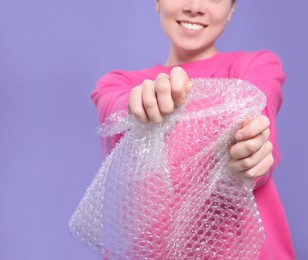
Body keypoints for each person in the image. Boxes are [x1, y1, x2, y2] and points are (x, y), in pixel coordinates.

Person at [92, 0, 294, 259]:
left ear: (231, 9)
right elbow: (117, 124)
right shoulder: (119, 84)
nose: (195, 6)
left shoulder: (256, 65)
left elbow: (259, 115)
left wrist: (253, 150)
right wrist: (140, 107)